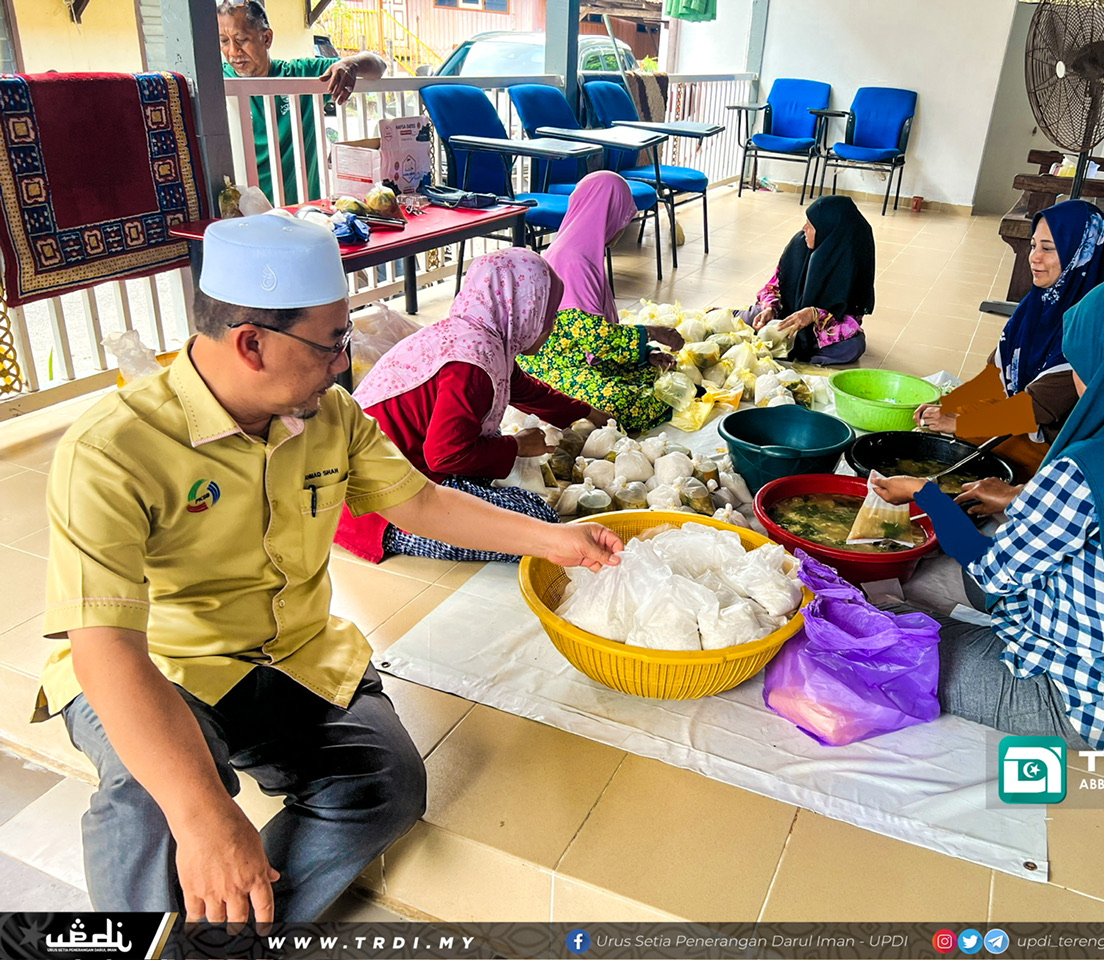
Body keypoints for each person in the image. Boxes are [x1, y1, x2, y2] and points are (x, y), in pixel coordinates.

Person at [37, 216, 621, 923]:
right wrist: (203, 817)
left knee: (385, 785)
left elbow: (423, 504)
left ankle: (238, 933)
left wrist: (554, 541)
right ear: (251, 343)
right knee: (151, 797)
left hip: (288, 657)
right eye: (330, 343)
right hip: (163, 666)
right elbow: (107, 651)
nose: (343, 362)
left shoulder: (331, 417)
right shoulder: (113, 449)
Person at [873, 275, 1104, 750]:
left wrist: (927, 494)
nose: (1076, 380)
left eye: (1080, 364)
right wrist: (1018, 499)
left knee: (877, 621)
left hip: (1067, 700)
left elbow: (990, 574)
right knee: (942, 592)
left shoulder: (1089, 466)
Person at [335, 249, 612, 564]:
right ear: (519, 310)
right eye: (545, 317)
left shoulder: (476, 336)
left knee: (515, 491)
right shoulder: (472, 364)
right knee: (538, 518)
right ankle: (400, 535)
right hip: (378, 505)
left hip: (405, 474)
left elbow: (525, 389)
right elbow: (444, 455)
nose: (548, 329)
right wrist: (517, 446)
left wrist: (587, 413)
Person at [915, 199, 1104, 487]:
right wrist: (949, 404)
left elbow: (1036, 409)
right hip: (1016, 420)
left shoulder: (1092, 325)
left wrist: (959, 422)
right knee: (934, 434)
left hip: (1053, 446)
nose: (1034, 257)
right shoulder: (1035, 306)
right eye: (1033, 246)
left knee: (957, 466)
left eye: (1048, 248)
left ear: (1079, 253)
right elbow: (996, 376)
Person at [517, 171, 684, 432]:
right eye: (624, 216)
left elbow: (593, 336)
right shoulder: (573, 261)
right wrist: (653, 332)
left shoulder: (581, 250)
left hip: (575, 354)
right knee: (621, 402)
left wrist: (645, 353)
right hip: (552, 367)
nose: (625, 223)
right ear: (607, 215)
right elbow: (596, 339)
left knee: (652, 373)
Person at [218, 0, 387, 205]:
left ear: (267, 38)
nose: (233, 52)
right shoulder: (216, 84)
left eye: (242, 39)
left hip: (301, 209)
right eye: (224, 41)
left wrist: (350, 64)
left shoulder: (298, 75)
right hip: (244, 212)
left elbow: (378, 65)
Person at [744, 194, 875, 365]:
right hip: (786, 318)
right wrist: (771, 308)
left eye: (811, 225)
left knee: (853, 346)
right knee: (753, 317)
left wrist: (815, 315)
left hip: (821, 330)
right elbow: (774, 285)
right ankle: (787, 345)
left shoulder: (851, 258)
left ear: (827, 230)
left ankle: (796, 350)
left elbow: (852, 317)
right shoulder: (799, 245)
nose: (804, 228)